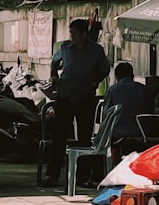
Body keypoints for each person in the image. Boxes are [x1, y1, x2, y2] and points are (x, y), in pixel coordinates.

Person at [41, 18, 111, 188]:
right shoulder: (65, 48)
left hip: (85, 97)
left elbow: (104, 70)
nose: (71, 35)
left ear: (84, 34)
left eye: (74, 33)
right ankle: (52, 175)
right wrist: (54, 76)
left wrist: (94, 83)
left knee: (84, 138)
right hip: (65, 95)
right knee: (59, 136)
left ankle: (82, 176)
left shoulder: (96, 51)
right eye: (70, 32)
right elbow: (54, 63)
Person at [101, 61, 155, 164]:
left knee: (108, 138)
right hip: (143, 131)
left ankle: (114, 165)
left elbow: (107, 115)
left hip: (120, 133)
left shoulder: (113, 90)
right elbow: (151, 108)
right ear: (132, 75)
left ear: (116, 77)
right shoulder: (144, 89)